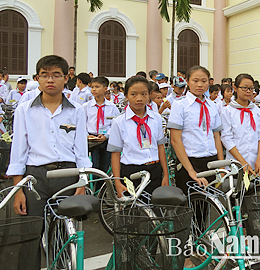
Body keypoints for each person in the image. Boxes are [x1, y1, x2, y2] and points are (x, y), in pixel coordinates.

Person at [7, 55, 91, 269]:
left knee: (64, 234)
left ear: (66, 78)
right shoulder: (25, 110)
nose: (50, 80)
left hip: (67, 177)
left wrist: (83, 182)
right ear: (38, 78)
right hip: (35, 178)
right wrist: (18, 190)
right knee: (30, 234)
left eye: (56, 75)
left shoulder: (77, 110)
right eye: (45, 75)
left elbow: (81, 151)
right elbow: (19, 151)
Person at [107, 76, 169, 197]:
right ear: (126, 96)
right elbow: (115, 154)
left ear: (149, 95)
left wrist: (165, 175)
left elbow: (161, 147)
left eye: (144, 94)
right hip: (131, 171)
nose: (139, 98)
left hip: (154, 169)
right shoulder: (119, 122)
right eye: (133, 94)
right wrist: (117, 182)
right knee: (133, 210)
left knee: (154, 209)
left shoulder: (156, 118)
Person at [167, 66, 223, 194]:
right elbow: (176, 140)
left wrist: (221, 166)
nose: (200, 85)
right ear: (187, 81)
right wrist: (191, 170)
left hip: (211, 161)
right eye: (195, 80)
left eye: (204, 81)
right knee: (191, 204)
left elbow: (216, 137)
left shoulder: (212, 106)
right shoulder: (180, 104)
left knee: (208, 204)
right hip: (190, 160)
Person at [220, 73, 260, 176]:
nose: (248, 91)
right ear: (235, 88)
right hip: (235, 165)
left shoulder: (257, 111)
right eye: (244, 88)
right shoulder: (227, 111)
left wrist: (259, 158)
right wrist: (243, 162)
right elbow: (226, 139)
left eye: (251, 88)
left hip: (255, 164)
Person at [84, 77, 120, 182]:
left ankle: (102, 191)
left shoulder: (112, 107)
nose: (94, 89)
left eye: (97, 87)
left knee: (105, 165)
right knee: (94, 166)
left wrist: (106, 136)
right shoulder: (86, 106)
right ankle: (93, 188)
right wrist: (87, 135)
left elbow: (114, 123)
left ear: (105, 89)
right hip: (92, 139)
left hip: (106, 139)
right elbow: (82, 123)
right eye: (92, 87)